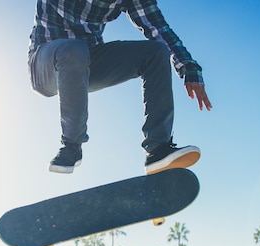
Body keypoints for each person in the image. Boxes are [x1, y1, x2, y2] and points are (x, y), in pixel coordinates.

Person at [28, 0, 212, 174]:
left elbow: (159, 28)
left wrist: (188, 67)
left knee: (156, 52)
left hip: (88, 63)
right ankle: (71, 146)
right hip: (45, 64)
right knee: (73, 49)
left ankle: (158, 149)